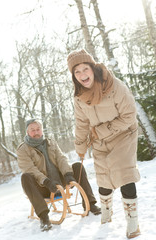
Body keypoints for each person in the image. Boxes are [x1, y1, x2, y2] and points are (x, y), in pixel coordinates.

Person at [67, 49, 141, 239]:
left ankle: (132, 221)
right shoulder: (79, 96)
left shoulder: (114, 86)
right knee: (103, 176)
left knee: (124, 173)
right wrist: (80, 146)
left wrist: (100, 131)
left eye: (85, 69)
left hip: (124, 133)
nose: (83, 74)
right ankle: (107, 212)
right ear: (74, 76)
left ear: (93, 68)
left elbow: (129, 116)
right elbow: (82, 123)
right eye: (77, 72)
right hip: (99, 138)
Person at [17, 119, 100, 232]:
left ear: (41, 130)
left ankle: (90, 204)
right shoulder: (23, 149)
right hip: (42, 187)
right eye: (32, 130)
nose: (36, 132)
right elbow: (30, 169)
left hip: (59, 181)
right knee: (25, 177)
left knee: (77, 167)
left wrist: (68, 174)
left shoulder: (50, 142)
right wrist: (46, 181)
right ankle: (44, 217)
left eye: (38, 129)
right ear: (27, 132)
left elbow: (61, 159)